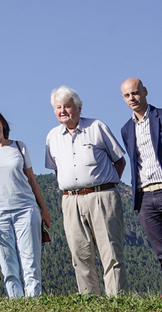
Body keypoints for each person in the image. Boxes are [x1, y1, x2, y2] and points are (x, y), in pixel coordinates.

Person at [45, 85, 127, 296]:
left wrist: (106, 184)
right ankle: (90, 300)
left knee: (111, 251)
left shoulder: (97, 127)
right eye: (58, 107)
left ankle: (117, 300)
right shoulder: (52, 137)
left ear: (78, 108)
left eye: (68, 106)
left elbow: (119, 161)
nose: (63, 111)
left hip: (102, 196)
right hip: (71, 201)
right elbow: (57, 171)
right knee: (79, 253)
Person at [0, 108, 51, 298]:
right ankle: (16, 302)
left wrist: (44, 210)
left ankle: (33, 303)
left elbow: (31, 179)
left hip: (26, 209)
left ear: (3, 123)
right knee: (8, 264)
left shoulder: (19, 147)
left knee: (30, 261)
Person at [120, 78, 162, 296]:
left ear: (144, 91)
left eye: (135, 93)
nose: (132, 98)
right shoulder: (126, 129)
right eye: (127, 95)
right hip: (145, 199)